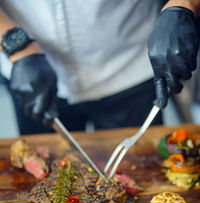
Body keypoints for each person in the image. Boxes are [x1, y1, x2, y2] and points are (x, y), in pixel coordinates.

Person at [0, 0, 199, 135]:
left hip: (129, 63)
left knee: (139, 166)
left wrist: (183, 6)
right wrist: (16, 45)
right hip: (30, 70)